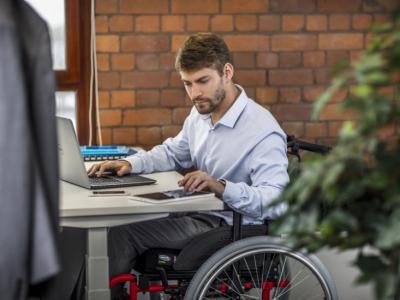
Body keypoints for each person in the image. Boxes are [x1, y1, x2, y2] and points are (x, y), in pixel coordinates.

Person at [88, 32, 289, 298]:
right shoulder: (201, 112)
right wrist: (129, 163)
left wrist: (221, 187)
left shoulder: (262, 129)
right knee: (117, 221)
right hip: (197, 212)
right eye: (187, 83)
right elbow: (173, 152)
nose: (195, 93)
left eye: (203, 81)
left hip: (230, 226)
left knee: (121, 235)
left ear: (227, 72)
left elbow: (278, 201)